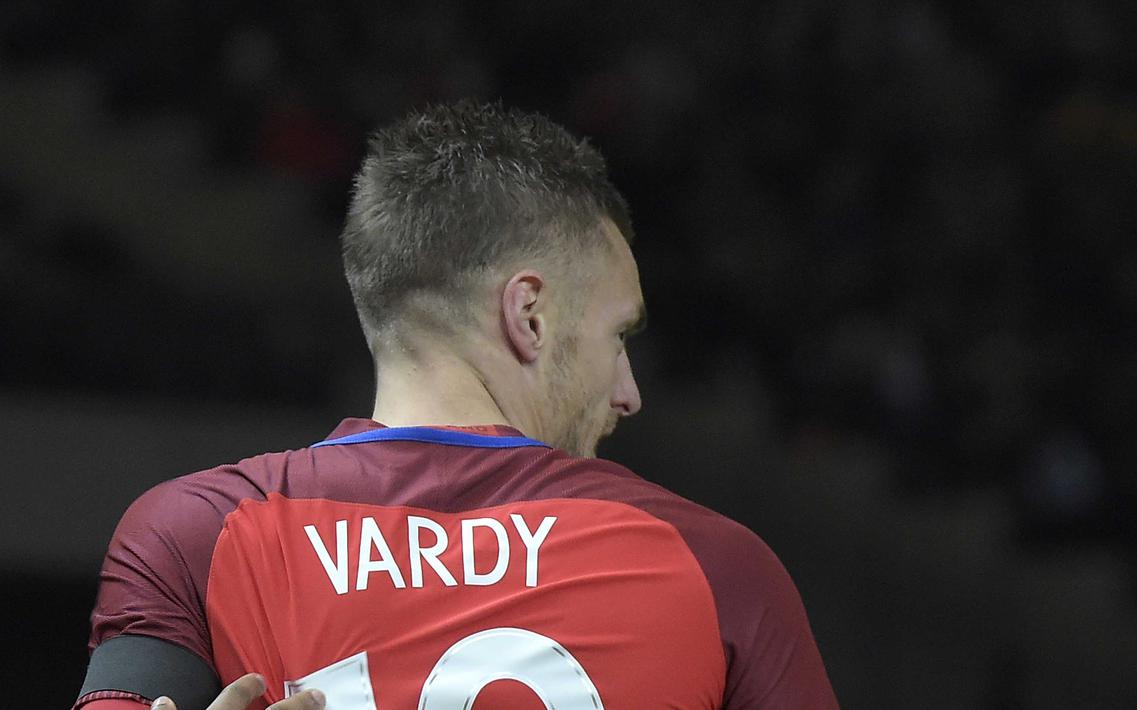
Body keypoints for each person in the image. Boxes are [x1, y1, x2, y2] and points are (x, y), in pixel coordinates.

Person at [75, 101, 840, 709]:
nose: (627, 393)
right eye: (616, 336)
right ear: (529, 315)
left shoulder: (198, 534)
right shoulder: (712, 566)